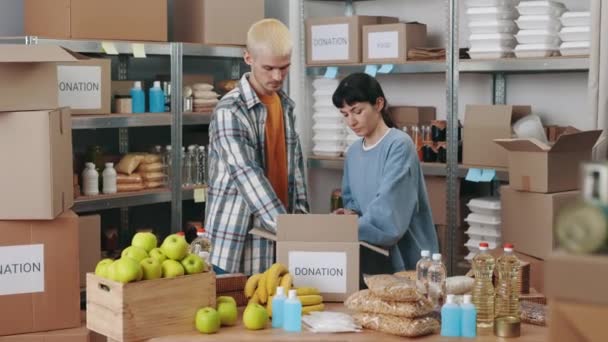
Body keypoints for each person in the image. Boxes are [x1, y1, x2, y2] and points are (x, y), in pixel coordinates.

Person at [205, 19, 309, 275]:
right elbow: (246, 173)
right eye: (269, 68)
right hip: (236, 245)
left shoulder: (285, 105)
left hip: (279, 238)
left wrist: (304, 220)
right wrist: (290, 231)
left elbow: (295, 170)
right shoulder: (231, 110)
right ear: (248, 58)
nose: (277, 77)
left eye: (284, 68)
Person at [332, 73, 438, 275]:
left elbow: (389, 217)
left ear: (379, 104)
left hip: (407, 262)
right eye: (345, 114)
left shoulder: (399, 145)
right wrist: (347, 216)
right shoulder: (354, 152)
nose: (351, 121)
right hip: (371, 254)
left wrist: (344, 229)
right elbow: (352, 202)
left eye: (357, 111)